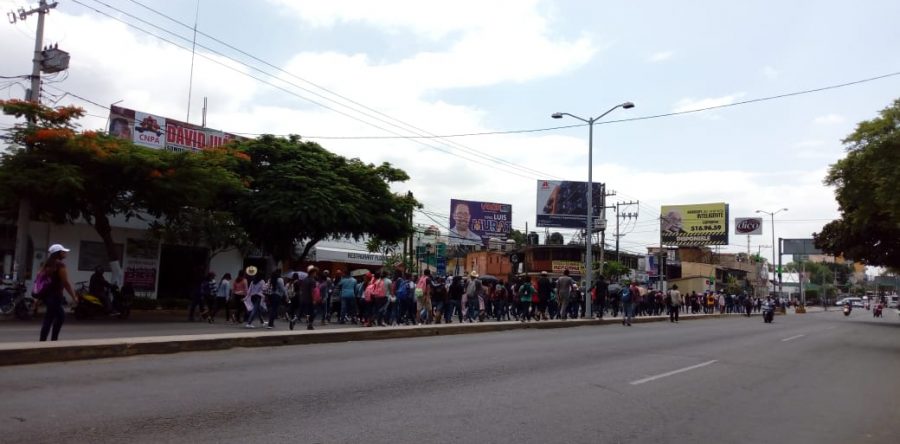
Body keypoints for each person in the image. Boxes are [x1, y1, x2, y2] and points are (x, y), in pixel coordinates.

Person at [37, 244, 77, 341]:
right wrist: (73, 296)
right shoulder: (59, 265)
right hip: (55, 296)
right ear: (58, 253)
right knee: (59, 317)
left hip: (47, 296)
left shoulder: (46, 264)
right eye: (63, 251)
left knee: (50, 317)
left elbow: (39, 279)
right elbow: (65, 282)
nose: (65, 253)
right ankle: (53, 340)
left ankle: (44, 340)